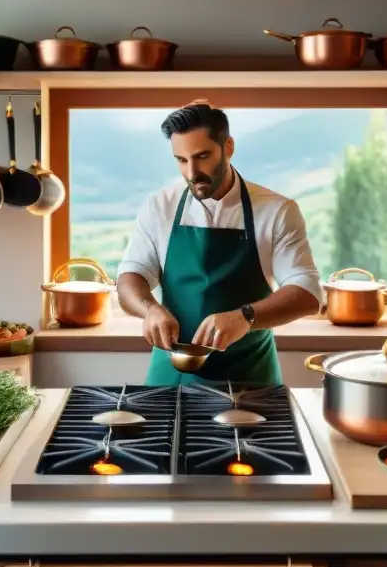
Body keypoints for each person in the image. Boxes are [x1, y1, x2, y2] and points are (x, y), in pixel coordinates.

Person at [116, 102, 322, 386]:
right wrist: (148, 308)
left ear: (228, 147)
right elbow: (130, 277)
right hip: (169, 379)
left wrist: (245, 316)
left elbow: (308, 293)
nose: (192, 172)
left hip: (249, 380)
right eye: (181, 159)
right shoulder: (159, 207)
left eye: (202, 156)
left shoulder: (276, 211)